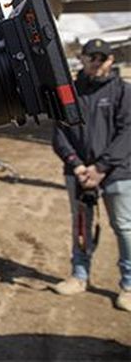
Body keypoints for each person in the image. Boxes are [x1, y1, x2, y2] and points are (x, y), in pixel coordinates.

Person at [52, 38, 131, 311]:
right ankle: (79, 274)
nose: (96, 61)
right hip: (79, 172)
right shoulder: (69, 92)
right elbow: (59, 133)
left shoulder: (123, 91)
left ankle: (129, 285)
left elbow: (127, 134)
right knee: (81, 226)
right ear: (82, 59)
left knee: (123, 227)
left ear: (111, 60)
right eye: (91, 56)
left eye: (102, 57)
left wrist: (100, 168)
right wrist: (76, 164)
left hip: (116, 171)